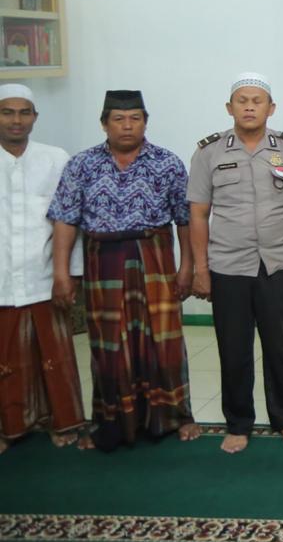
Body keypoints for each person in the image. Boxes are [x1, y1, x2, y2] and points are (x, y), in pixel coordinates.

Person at [48, 90, 200, 451]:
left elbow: (185, 220)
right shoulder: (82, 165)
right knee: (108, 344)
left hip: (155, 256)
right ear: (104, 124)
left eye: (135, 118)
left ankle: (175, 417)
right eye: (119, 119)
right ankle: (112, 421)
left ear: (145, 121)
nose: (127, 125)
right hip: (104, 259)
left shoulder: (167, 162)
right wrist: (61, 273)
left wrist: (187, 267)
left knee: (163, 341)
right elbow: (66, 220)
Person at [187, 73, 283, 453]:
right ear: (230, 108)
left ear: (271, 108)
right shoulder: (209, 152)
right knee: (233, 349)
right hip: (228, 266)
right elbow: (198, 214)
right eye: (242, 100)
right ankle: (238, 423)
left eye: (258, 100)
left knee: (280, 347)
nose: (250, 106)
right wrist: (200, 269)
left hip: (276, 264)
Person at [0, 84, 86, 454]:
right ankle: (9, 427)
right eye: (7, 112)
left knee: (54, 356)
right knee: (4, 358)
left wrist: (69, 273)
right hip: (2, 277)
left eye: (24, 113)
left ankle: (62, 422)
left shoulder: (55, 159)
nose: (16, 120)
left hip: (44, 272)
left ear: (35, 117)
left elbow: (71, 222)